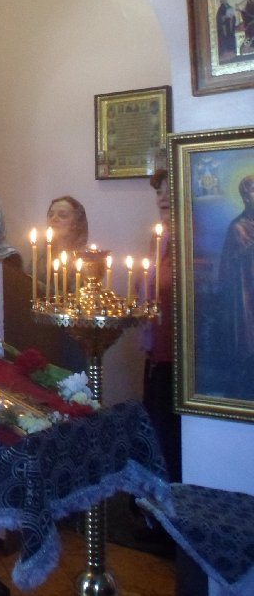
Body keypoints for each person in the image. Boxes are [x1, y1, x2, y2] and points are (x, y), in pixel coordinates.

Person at [141, 170, 180, 482]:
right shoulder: (159, 237)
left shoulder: (192, 241)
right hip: (156, 353)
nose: (162, 197)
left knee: (171, 436)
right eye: (158, 192)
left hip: (180, 358)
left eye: (170, 189)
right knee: (155, 429)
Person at [218, 174, 254, 379]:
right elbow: (229, 265)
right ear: (245, 197)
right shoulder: (237, 227)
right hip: (247, 291)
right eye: (253, 190)